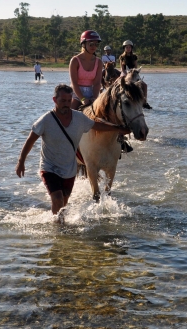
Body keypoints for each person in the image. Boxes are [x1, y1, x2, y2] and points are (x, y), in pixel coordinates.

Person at [15, 84, 130, 218]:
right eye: (62, 101)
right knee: (57, 199)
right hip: (49, 167)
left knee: (63, 204)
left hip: (68, 170)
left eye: (69, 101)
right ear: (54, 100)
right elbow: (30, 140)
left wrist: (118, 129)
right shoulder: (46, 120)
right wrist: (21, 161)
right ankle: (58, 232)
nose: (66, 104)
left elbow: (97, 125)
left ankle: (60, 225)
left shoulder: (79, 118)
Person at [69, 30, 103, 110]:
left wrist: (94, 98)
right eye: (91, 44)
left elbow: (97, 83)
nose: (94, 47)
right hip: (77, 93)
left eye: (96, 44)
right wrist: (83, 99)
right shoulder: (75, 61)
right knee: (69, 114)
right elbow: (74, 84)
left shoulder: (99, 62)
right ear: (83, 44)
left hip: (92, 94)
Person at [119, 40, 152, 109]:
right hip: (125, 72)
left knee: (144, 85)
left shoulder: (134, 56)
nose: (128, 48)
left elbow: (136, 67)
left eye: (129, 47)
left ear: (131, 48)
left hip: (133, 72)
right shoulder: (122, 57)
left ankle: (144, 101)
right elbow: (122, 68)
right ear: (124, 48)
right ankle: (119, 99)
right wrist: (126, 74)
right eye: (127, 47)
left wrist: (135, 73)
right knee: (119, 83)